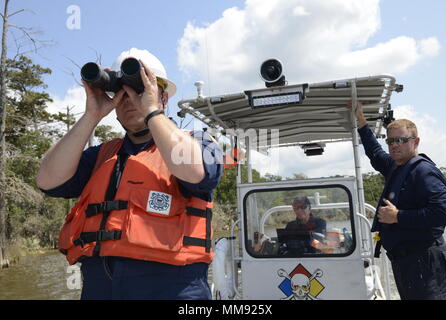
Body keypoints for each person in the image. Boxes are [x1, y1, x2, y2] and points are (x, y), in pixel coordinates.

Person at [36, 48, 223, 300]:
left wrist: (151, 111)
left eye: (140, 90)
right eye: (121, 93)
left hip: (174, 290)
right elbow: (47, 180)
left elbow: (196, 172)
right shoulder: (102, 156)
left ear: (164, 98)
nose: (130, 99)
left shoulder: (198, 143)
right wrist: (91, 115)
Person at [349, 100, 446, 300]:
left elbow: (444, 212)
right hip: (406, 263)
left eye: (401, 140)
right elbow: (375, 153)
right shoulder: (396, 166)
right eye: (391, 141)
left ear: (416, 141)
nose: (395, 145)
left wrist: (398, 217)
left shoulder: (423, 172)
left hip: (426, 263)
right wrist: (361, 121)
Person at [253, 195, 326, 255]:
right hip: (292, 258)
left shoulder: (320, 222)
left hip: (314, 257)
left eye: (303, 207)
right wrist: (263, 240)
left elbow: (319, 242)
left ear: (309, 208)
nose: (299, 210)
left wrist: (300, 242)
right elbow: (282, 242)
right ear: (294, 210)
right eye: (296, 208)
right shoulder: (291, 225)